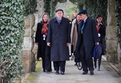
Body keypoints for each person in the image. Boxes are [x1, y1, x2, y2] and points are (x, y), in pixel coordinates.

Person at [75, 10, 99, 75]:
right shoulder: (81, 23)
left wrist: (96, 41)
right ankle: (85, 69)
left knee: (88, 56)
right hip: (81, 42)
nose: (80, 17)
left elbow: (94, 31)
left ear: (85, 15)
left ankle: (91, 69)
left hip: (89, 42)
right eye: (79, 16)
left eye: (81, 15)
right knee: (82, 56)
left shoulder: (91, 21)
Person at [47, 9, 70, 75]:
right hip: (54, 41)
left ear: (62, 14)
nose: (59, 14)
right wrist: (48, 41)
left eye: (60, 13)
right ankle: (56, 69)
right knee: (55, 56)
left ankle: (62, 70)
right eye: (58, 13)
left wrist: (68, 41)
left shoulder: (66, 21)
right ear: (56, 14)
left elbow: (68, 32)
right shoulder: (52, 21)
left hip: (63, 41)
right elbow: (49, 32)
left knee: (63, 57)